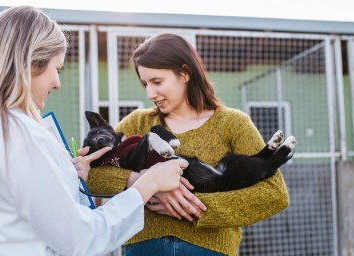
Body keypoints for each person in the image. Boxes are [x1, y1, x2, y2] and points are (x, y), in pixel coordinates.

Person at [0, 7, 188, 256]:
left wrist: (66, 176)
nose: (57, 82)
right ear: (31, 63)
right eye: (57, 68)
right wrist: (148, 183)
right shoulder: (21, 135)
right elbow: (81, 240)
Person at [86, 33, 290, 256]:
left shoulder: (233, 123)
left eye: (157, 82)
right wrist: (145, 183)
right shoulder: (138, 121)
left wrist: (196, 206)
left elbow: (274, 194)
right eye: (145, 83)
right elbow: (92, 176)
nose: (149, 93)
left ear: (184, 73)